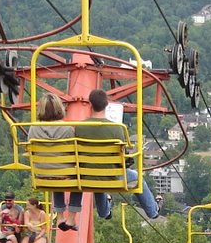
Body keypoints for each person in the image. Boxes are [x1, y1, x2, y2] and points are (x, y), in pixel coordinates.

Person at [82, 88, 160, 220]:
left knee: (97, 176)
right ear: (107, 105)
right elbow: (121, 156)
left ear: (90, 104)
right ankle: (153, 211)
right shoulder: (118, 128)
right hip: (111, 176)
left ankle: (104, 212)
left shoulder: (79, 127)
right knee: (137, 177)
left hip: (86, 175)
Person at [28, 93, 82, 231]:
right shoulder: (68, 128)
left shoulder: (33, 129)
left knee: (54, 171)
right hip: (65, 175)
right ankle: (71, 217)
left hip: (42, 175)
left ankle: (60, 216)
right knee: (80, 176)